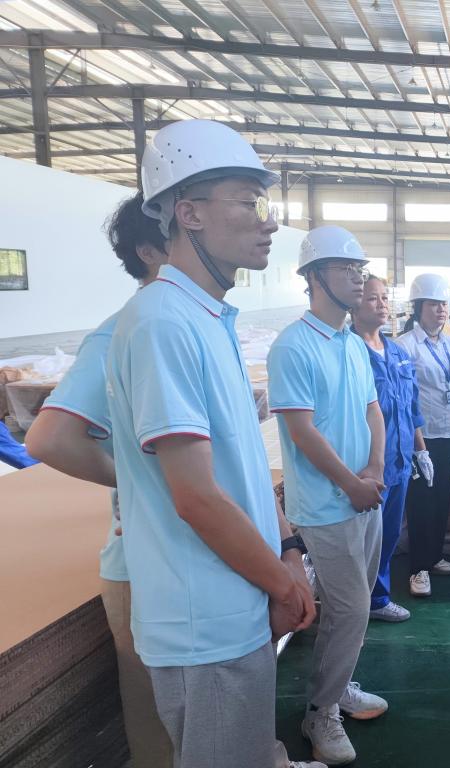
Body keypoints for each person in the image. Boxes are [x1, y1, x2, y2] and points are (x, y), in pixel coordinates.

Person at [104, 119, 317, 768]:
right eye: (249, 202)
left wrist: (287, 548)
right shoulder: (162, 321)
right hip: (205, 625)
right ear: (189, 213)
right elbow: (196, 497)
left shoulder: (208, 318)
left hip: (233, 606)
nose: (268, 222)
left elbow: (236, 469)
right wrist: (282, 585)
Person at [25, 193, 174, 768]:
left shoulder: (188, 328)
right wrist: (137, 486)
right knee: (157, 720)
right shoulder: (122, 335)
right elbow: (49, 438)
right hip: (142, 561)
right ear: (149, 251)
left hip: (178, 553)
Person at [268, 226, 389, 766]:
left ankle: (337, 688)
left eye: (360, 269)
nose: (359, 279)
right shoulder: (293, 346)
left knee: (352, 609)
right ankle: (320, 712)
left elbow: (372, 411)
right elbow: (302, 431)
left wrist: (375, 469)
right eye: (346, 269)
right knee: (351, 608)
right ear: (314, 276)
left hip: (365, 495)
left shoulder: (352, 343)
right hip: (326, 506)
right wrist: (351, 484)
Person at [351, 275, 432, 623]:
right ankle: (355, 604)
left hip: (398, 463)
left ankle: (377, 599)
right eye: (373, 298)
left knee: (388, 534)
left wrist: (420, 450)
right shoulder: (350, 352)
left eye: (385, 298)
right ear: (354, 304)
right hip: (366, 465)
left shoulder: (397, 352)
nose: (382, 304)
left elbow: (410, 406)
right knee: (363, 540)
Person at [395, 273, 450, 598]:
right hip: (421, 438)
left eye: (444, 304)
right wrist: (416, 443)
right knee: (421, 504)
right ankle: (418, 569)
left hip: (447, 433)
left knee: (442, 499)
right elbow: (403, 398)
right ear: (418, 308)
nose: (441, 310)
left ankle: (435, 556)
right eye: (433, 304)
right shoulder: (404, 346)